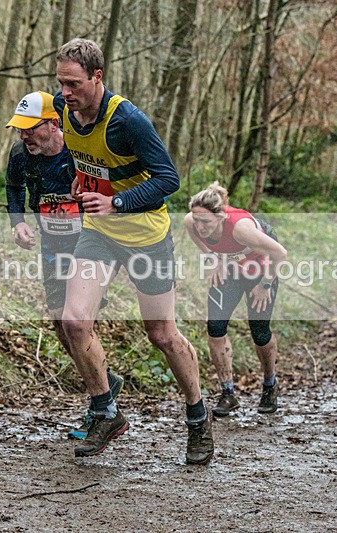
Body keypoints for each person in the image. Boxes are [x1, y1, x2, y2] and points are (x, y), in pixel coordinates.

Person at [54, 38, 213, 464]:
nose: (66, 92)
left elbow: (168, 180)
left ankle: (197, 415)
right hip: (100, 234)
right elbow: (80, 154)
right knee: (73, 320)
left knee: (161, 334)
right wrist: (79, 179)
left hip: (146, 236)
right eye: (61, 83)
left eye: (74, 84)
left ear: (97, 77)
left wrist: (117, 201)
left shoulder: (129, 120)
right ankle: (106, 410)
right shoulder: (62, 108)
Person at [4, 90, 123, 440]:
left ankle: (101, 408)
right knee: (60, 323)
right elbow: (13, 188)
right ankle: (106, 382)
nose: (24, 136)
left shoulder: (78, 153)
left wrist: (92, 192)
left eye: (30, 128)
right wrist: (18, 222)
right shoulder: (20, 155)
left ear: (54, 124)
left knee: (79, 322)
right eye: (19, 129)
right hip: (52, 247)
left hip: (91, 245)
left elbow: (114, 188)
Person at [184, 182, 287, 417]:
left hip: (260, 270)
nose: (200, 227)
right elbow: (197, 237)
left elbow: (280, 253)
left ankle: (270, 385)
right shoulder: (191, 221)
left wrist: (266, 284)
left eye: (206, 222)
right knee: (215, 329)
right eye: (197, 220)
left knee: (259, 331)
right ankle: (228, 393)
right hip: (230, 271)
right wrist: (215, 259)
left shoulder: (241, 229)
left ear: (220, 217)